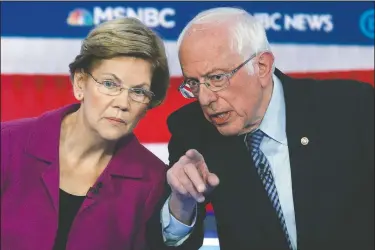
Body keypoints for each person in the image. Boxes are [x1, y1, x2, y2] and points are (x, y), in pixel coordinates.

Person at [146, 7, 374, 250]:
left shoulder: (352, 108)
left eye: (217, 78)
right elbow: (170, 246)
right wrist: (181, 204)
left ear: (262, 67)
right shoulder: (192, 131)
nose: (204, 98)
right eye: (193, 83)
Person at [1, 17, 170, 250]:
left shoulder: (153, 181)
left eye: (139, 91)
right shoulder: (7, 144)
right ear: (80, 83)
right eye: (110, 84)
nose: (123, 103)